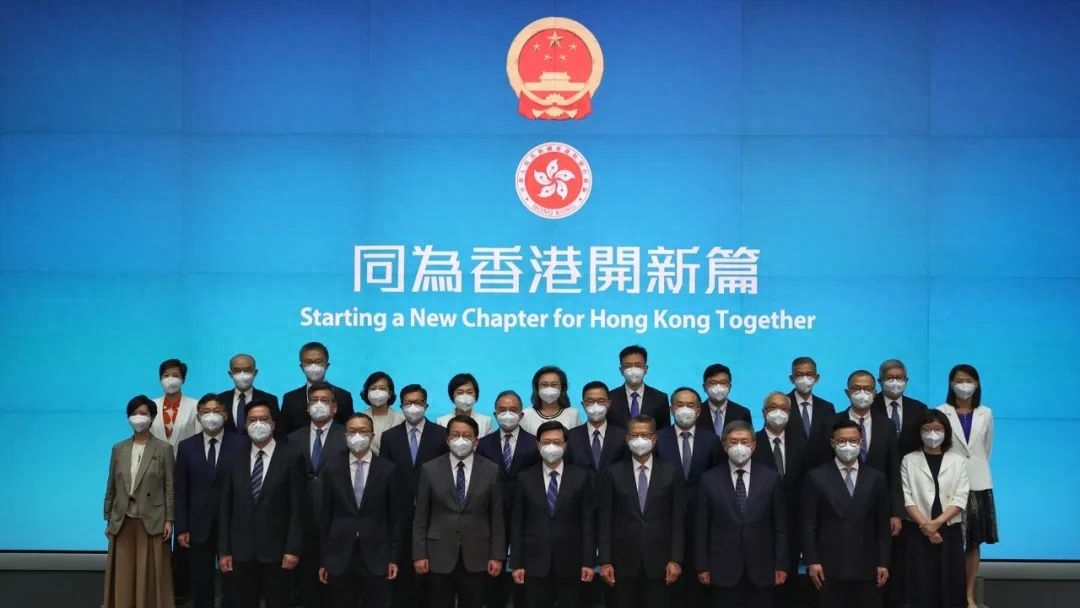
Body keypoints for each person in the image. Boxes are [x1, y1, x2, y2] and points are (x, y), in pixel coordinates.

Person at [219, 400, 305, 608]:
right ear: (245, 425)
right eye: (253, 420)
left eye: (264, 419)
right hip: (241, 552)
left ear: (273, 424)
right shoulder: (233, 457)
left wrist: (293, 549)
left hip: (278, 553)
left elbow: (298, 509)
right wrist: (224, 550)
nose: (258, 424)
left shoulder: (292, 456)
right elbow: (225, 509)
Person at [413, 415, 505, 608]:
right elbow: (421, 515)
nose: (460, 440)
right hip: (438, 554)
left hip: (477, 554)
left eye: (467, 435)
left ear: (476, 441)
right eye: (455, 435)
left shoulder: (491, 470)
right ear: (447, 440)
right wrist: (419, 554)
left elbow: (497, 517)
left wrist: (497, 556)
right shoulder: (429, 469)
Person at [696, 420, 787, 608]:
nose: (739, 446)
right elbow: (701, 528)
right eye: (733, 442)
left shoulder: (770, 478)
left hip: (762, 568)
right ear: (724, 446)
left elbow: (780, 527)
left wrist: (781, 564)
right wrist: (702, 566)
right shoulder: (708, 480)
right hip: (722, 569)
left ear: (753, 446)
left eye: (744, 442)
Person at [318, 413, 406, 608]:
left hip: (377, 555)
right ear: (345, 435)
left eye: (363, 431)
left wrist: (393, 558)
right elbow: (325, 517)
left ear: (372, 435)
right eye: (352, 431)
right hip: (339, 555)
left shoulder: (388, 469)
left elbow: (395, 519)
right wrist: (324, 560)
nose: (358, 435)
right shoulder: (332, 468)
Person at [597, 415, 685, 608]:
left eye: (645, 435)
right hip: (621, 565)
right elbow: (604, 521)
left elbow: (678, 520)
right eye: (635, 435)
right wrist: (604, 561)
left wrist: (676, 559)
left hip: (660, 564)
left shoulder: (671, 472)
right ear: (627, 439)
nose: (640, 440)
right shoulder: (612, 473)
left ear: (654, 439)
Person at [802, 420, 891, 608]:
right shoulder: (816, 476)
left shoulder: (876, 477)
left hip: (867, 566)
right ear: (833, 443)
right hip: (828, 567)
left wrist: (883, 562)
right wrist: (812, 561)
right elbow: (808, 524)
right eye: (842, 441)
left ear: (861, 442)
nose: (848, 446)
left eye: (853, 440)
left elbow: (882, 525)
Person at [510, 421, 596, 608]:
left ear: (565, 445)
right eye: (546, 442)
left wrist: (589, 562)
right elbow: (517, 524)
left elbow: (587, 523)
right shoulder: (524, 477)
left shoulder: (581, 477)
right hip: (534, 563)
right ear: (538, 445)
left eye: (557, 442)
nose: (551, 446)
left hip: (571, 563)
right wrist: (516, 563)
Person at [379, 384, 449, 608]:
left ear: (426, 406)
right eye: (408, 403)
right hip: (399, 513)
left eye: (418, 402)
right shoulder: (389, 437)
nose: (413, 407)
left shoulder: (441, 435)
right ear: (401, 406)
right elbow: (384, 475)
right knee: (402, 576)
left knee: (433, 578)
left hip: (434, 514)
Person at [103, 395, 176, 608]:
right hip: (123, 518)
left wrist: (169, 519)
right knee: (123, 572)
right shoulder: (119, 448)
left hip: (152, 519)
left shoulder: (163, 448)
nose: (139, 418)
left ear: (152, 417)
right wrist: (108, 517)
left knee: (152, 573)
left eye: (143, 413)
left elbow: (169, 487)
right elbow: (111, 485)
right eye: (134, 414)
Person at [175, 394, 246, 608]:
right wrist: (182, 527)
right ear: (198, 417)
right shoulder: (187, 446)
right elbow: (181, 490)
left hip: (233, 523)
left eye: (216, 411)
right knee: (201, 581)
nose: (211, 416)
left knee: (232, 580)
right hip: (198, 525)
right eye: (206, 412)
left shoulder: (242, 443)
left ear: (225, 415)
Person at [936, 364, 997, 608]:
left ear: (977, 384)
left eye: (969, 380)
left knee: (973, 541)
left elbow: (986, 449)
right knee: (949, 540)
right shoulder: (941, 411)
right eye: (959, 380)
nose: (964, 385)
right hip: (950, 483)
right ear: (951, 384)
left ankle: (969, 595)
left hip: (979, 484)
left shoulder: (986, 413)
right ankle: (946, 592)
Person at [655, 387, 721, 608]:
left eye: (690, 405)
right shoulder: (658, 438)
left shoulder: (712, 440)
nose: (685, 409)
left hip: (700, 518)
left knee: (696, 587)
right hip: (664, 519)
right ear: (671, 409)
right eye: (680, 405)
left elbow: (717, 479)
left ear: (699, 410)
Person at [900, 410, 969, 608]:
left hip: (949, 528)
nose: (932, 434)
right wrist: (926, 526)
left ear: (946, 431)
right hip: (918, 529)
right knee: (921, 583)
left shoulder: (958, 460)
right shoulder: (909, 460)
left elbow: (960, 497)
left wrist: (936, 524)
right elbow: (907, 498)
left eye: (938, 429)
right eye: (927, 429)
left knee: (951, 582)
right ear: (919, 432)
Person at [477, 390, 540, 608]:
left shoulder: (534, 443)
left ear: (521, 415)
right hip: (491, 515)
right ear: (495, 414)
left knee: (524, 569)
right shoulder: (483, 444)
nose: (507, 414)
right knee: (493, 569)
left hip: (526, 515)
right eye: (502, 410)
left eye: (513, 410)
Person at [288, 381, 348, 608]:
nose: (319, 405)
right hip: (303, 518)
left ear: (335, 407)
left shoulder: (346, 435)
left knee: (336, 587)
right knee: (307, 583)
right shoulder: (293, 438)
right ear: (307, 407)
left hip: (336, 518)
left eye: (325, 400)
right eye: (314, 400)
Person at [750, 391, 807, 608]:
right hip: (759, 525)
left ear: (790, 413)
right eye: (772, 408)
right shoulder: (751, 444)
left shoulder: (801, 444)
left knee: (789, 582)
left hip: (792, 524)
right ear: (763, 412)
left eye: (783, 408)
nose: (778, 412)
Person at [832, 370, 904, 538]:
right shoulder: (831, 422)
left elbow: (894, 471)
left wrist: (896, 512)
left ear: (875, 393)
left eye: (868, 389)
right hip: (839, 505)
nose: (862, 393)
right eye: (856, 389)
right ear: (847, 392)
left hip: (878, 504)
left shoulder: (887, 425)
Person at [280, 342, 355, 434]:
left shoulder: (343, 396)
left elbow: (349, 429)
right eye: (308, 362)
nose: (313, 366)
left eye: (318, 362)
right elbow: (284, 433)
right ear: (301, 367)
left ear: (327, 365)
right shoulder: (290, 399)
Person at [565, 381, 627, 473]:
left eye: (601, 401)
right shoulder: (571, 436)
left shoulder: (622, 435)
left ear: (609, 404)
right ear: (583, 405)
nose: (595, 405)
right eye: (590, 401)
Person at [786, 357, 836, 467]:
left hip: (820, 469)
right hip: (789, 469)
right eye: (799, 375)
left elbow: (832, 441)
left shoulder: (827, 408)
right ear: (792, 378)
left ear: (816, 378)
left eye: (809, 374)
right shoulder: (782, 405)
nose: (804, 378)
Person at [606, 345, 671, 430]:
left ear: (646, 369)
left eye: (638, 365)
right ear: (621, 370)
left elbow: (664, 432)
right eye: (628, 366)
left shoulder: (660, 398)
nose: (633, 370)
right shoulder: (610, 398)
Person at [871, 359, 929, 452]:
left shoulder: (920, 409)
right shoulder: (869, 406)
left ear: (906, 380)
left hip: (910, 460)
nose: (895, 382)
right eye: (889, 378)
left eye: (899, 378)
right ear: (880, 381)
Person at [217, 353, 281, 436]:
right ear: (230, 374)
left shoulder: (269, 399)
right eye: (237, 370)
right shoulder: (219, 400)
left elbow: (278, 431)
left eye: (247, 370)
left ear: (255, 373)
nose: (242, 374)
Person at [152, 358, 200, 454]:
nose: (170, 379)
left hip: (185, 459)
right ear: (160, 380)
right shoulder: (151, 405)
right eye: (166, 375)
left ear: (183, 380)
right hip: (156, 460)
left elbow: (199, 437)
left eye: (175, 375)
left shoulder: (195, 405)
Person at [521, 366, 582, 434]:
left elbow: (578, 438)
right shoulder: (526, 415)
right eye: (544, 384)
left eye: (554, 384)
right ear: (536, 387)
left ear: (562, 387)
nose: (549, 388)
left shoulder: (573, 414)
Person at [697, 363, 753, 436]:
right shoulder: (696, 412)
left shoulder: (742, 413)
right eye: (713, 383)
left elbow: (748, 438)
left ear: (730, 386)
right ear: (704, 387)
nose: (718, 387)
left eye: (723, 383)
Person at [357, 371, 404, 455]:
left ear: (390, 394)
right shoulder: (358, 419)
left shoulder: (402, 419)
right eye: (373, 388)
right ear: (367, 393)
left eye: (382, 388)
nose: (377, 392)